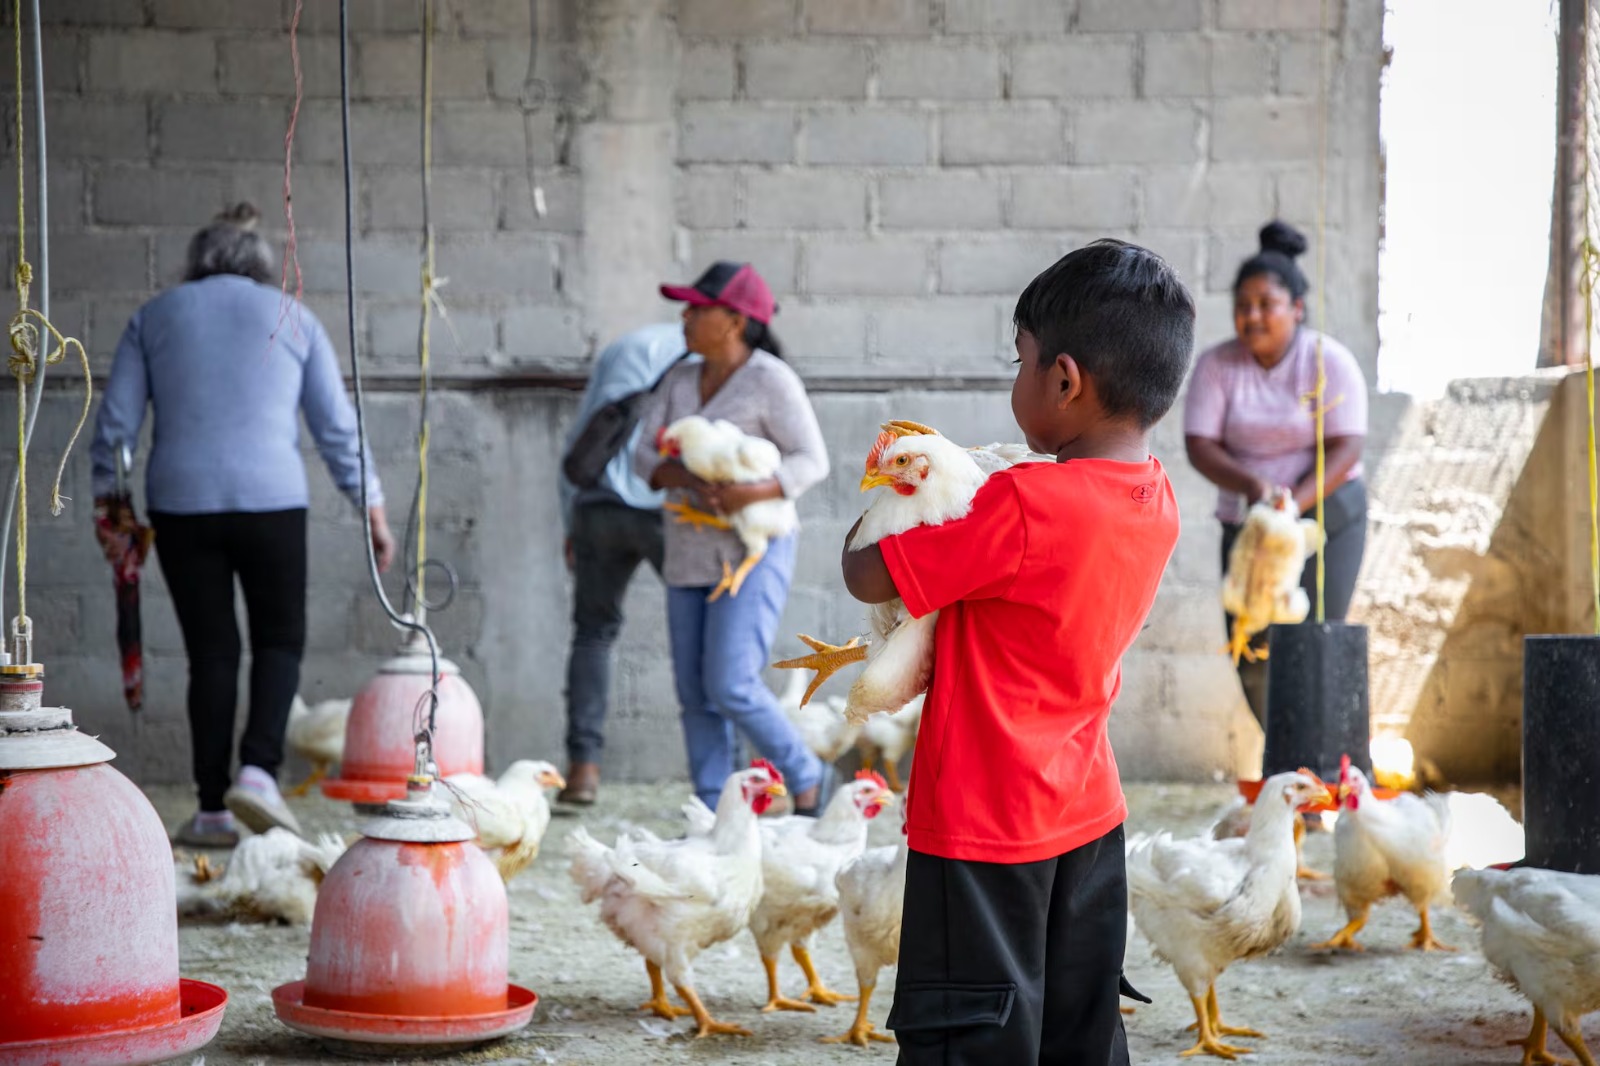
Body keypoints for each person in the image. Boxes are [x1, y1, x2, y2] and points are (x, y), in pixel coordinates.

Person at [839, 240, 1191, 1063]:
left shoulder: (1025, 502)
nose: (1017, 375)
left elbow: (868, 574)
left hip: (983, 822)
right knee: (1080, 1031)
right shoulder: (1156, 496)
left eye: (1020, 358)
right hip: (1088, 814)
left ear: (1064, 380)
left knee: (972, 1038)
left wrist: (893, 500)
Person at [90, 203, 394, 848]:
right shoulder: (294, 317)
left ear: (196, 262)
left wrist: (111, 507)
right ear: (260, 265)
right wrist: (369, 503)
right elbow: (337, 428)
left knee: (212, 652)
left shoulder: (154, 317)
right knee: (279, 640)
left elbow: (116, 427)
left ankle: (210, 809)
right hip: (272, 501)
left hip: (181, 504)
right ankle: (258, 773)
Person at [633, 261, 830, 814]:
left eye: (698, 309)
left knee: (730, 682)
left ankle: (807, 776)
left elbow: (812, 460)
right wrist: (686, 476)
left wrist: (749, 493)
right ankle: (714, 812)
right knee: (694, 694)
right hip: (687, 551)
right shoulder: (678, 380)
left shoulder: (771, 380)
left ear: (735, 321)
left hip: (753, 549)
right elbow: (642, 455)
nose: (685, 317)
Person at [1183, 220, 1369, 726]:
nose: (1253, 315)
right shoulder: (1217, 367)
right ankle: (1283, 755)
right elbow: (1199, 444)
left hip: (1327, 514)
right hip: (1250, 521)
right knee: (1251, 643)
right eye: (1243, 305)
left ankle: (1326, 759)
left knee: (1317, 636)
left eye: (1267, 304)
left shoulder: (1328, 361)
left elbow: (1348, 444)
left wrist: (1292, 505)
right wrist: (1256, 489)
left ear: (1297, 308)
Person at [555, 322, 685, 806]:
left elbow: (580, 438)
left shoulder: (623, 348)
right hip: (668, 511)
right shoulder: (713, 359)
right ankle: (725, 769)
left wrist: (570, 520)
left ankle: (583, 770)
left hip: (599, 507)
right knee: (704, 635)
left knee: (593, 634)